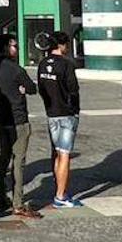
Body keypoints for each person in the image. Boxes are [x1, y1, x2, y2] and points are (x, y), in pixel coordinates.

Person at [0, 33, 41, 219]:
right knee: (19, 161)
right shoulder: (16, 70)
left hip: (1, 118)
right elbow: (33, 88)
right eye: (13, 46)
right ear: (6, 48)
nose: (16, 49)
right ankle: (18, 203)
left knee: (4, 157)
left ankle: (0, 197)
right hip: (18, 119)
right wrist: (23, 89)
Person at [37, 31, 82, 208]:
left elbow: (41, 89)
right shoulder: (66, 65)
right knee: (64, 154)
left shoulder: (42, 64)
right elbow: (73, 89)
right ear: (62, 45)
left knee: (56, 153)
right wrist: (75, 111)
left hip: (51, 113)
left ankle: (58, 188)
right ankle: (61, 196)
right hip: (66, 114)